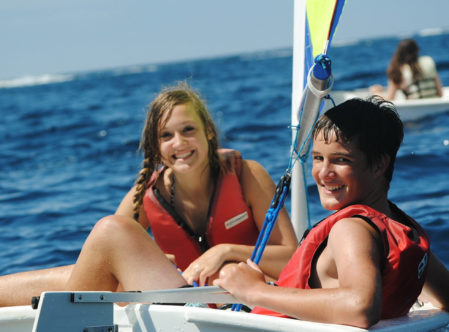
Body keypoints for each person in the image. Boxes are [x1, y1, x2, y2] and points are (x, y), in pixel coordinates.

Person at [0, 83, 297, 306]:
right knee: (88, 255)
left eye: (188, 129)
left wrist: (224, 252)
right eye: (166, 136)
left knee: (110, 232)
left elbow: (292, 260)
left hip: (236, 298)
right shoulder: (148, 193)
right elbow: (101, 262)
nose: (179, 143)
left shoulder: (246, 174)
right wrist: (154, 258)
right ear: (156, 146)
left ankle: (68, 319)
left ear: (208, 130)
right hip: (175, 299)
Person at [214, 97, 449, 328]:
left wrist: (255, 291)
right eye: (318, 158)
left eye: (341, 160)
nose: (323, 173)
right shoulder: (406, 228)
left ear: (379, 164)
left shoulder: (352, 229)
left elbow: (360, 307)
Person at [370, 39, 443, 100]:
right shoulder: (428, 61)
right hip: (434, 101)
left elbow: (389, 99)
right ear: (417, 50)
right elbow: (440, 93)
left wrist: (376, 93)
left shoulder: (398, 70)